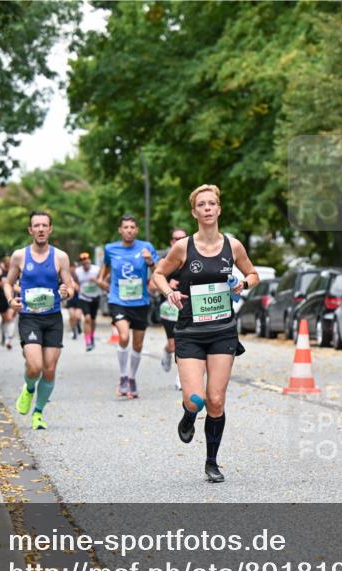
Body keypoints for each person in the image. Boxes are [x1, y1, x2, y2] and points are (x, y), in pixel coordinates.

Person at [151, 185, 258, 483]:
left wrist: (243, 285)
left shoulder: (233, 246)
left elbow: (253, 274)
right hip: (189, 331)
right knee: (196, 399)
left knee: (216, 399)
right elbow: (159, 274)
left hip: (223, 331)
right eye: (202, 204)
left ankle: (212, 462)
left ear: (219, 209)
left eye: (213, 203)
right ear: (194, 212)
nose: (208, 208)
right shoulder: (183, 247)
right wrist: (168, 293)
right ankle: (188, 415)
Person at [2, 211, 74, 430]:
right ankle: (29, 388)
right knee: (35, 367)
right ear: (30, 230)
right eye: (36, 225)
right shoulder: (19, 256)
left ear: (50, 229)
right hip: (29, 318)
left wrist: (65, 292)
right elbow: (7, 283)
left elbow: (69, 286)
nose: (41, 229)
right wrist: (10, 300)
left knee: (49, 369)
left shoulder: (60, 257)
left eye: (45, 225)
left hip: (53, 318)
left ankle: (38, 413)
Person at [96, 215, 159, 399]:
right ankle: (123, 376)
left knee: (137, 344)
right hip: (118, 300)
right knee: (123, 336)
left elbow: (159, 272)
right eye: (126, 227)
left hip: (140, 302)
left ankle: (131, 378)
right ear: (120, 230)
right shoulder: (110, 249)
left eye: (132, 227)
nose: (129, 230)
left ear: (136, 230)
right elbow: (105, 269)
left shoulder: (146, 247)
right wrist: (102, 281)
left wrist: (150, 262)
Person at [158, 228, 188, 390]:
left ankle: (181, 377)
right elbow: (153, 284)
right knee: (173, 345)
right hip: (169, 309)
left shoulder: (193, 257)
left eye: (182, 238)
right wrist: (167, 287)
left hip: (188, 307)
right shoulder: (166, 261)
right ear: (171, 242)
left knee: (183, 342)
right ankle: (166, 351)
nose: (179, 241)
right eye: (176, 238)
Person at [72, 251, 101, 351]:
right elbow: (74, 282)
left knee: (93, 320)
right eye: (83, 263)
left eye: (87, 262)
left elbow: (103, 281)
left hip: (95, 297)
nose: (86, 264)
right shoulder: (77, 271)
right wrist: (76, 287)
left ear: (90, 261)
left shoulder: (97, 269)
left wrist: (96, 281)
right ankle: (87, 341)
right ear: (81, 264)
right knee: (87, 318)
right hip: (83, 297)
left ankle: (92, 336)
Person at [0, 257, 17, 349]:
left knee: (9, 317)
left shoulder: (16, 272)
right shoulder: (0, 273)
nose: (8, 263)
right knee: (4, 320)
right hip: (2, 298)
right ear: (4, 263)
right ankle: (4, 336)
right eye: (7, 262)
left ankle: (9, 339)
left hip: (12, 297)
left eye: (10, 262)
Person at [67, 261, 83, 341]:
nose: (72, 269)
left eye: (74, 267)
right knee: (72, 316)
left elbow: (82, 288)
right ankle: (74, 332)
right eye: (71, 267)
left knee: (77, 316)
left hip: (79, 299)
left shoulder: (80, 276)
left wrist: (77, 287)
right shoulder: (67, 277)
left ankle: (78, 325)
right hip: (70, 300)